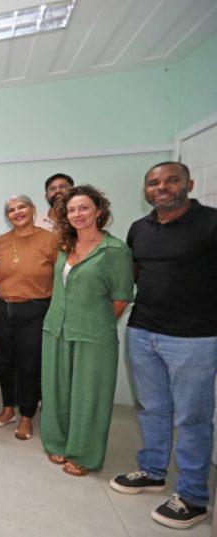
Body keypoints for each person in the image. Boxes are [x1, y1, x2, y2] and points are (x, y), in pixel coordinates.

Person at [109, 162, 217, 530]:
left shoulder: (210, 223)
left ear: (188, 183)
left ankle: (193, 497)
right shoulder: (140, 228)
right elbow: (135, 274)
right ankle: (153, 472)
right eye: (154, 183)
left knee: (192, 419)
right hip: (143, 330)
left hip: (195, 337)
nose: (162, 187)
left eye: (171, 180)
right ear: (145, 191)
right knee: (152, 409)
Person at [41, 184, 133, 477]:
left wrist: (95, 322)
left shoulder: (115, 249)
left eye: (83, 208)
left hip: (94, 334)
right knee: (56, 390)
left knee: (89, 396)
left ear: (98, 211)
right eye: (71, 210)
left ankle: (83, 453)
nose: (77, 214)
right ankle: (57, 441)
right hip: (57, 328)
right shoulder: (65, 247)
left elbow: (121, 297)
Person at [0, 195, 58, 440]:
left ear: (32, 210)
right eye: (11, 210)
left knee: (29, 366)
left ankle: (27, 416)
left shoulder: (51, 240)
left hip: (35, 310)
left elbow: (62, 278)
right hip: (1, 309)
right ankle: (8, 409)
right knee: (5, 363)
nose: (17, 212)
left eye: (22, 207)